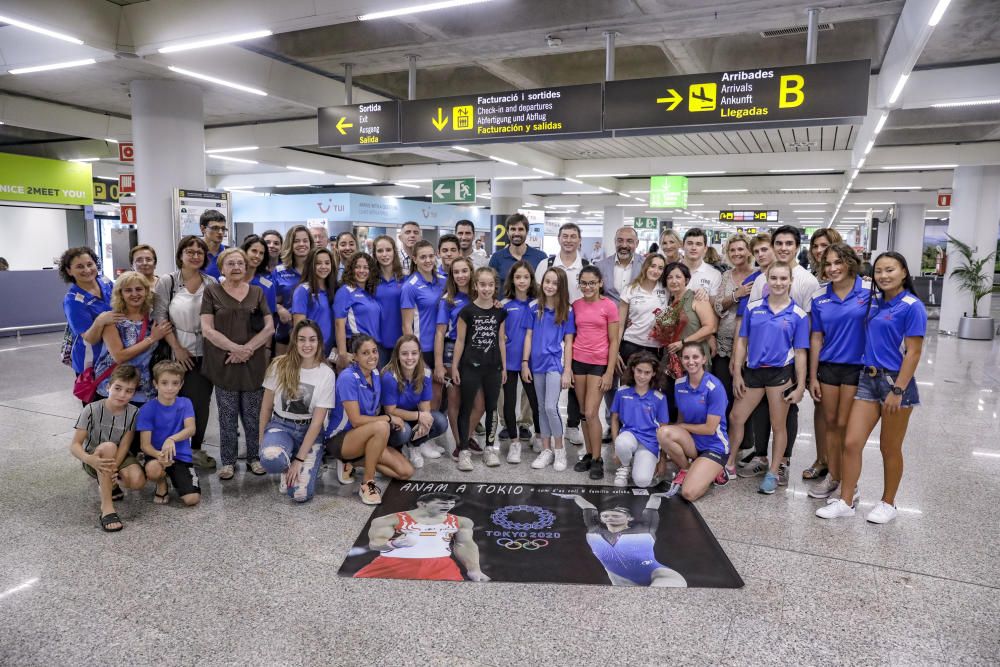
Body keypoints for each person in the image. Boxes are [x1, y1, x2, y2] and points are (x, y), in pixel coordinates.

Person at [817, 252, 926, 524]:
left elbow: (913, 353)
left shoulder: (912, 306)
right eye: (879, 271)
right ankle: (846, 499)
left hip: (895, 383)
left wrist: (898, 390)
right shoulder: (873, 301)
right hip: (868, 378)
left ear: (903, 271)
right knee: (852, 442)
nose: (884, 276)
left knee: (889, 448)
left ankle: (888, 503)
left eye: (890, 270)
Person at [727, 261, 808, 495]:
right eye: (774, 278)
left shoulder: (798, 315)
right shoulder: (753, 308)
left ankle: (773, 472)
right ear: (767, 280)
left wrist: (801, 385)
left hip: (780, 374)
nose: (779, 283)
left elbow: (801, 352)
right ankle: (730, 463)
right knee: (736, 417)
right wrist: (737, 373)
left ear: (790, 281)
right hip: (753, 371)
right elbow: (742, 341)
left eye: (783, 279)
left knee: (778, 425)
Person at [746, 226, 819, 480]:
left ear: (797, 247)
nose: (784, 248)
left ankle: (783, 460)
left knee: (788, 410)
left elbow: (810, 326)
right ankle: (761, 456)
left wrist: (806, 372)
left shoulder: (808, 281)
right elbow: (753, 318)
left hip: (789, 359)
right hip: (759, 361)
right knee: (760, 409)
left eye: (789, 243)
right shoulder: (760, 278)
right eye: (779, 243)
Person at [201, 247, 274, 480]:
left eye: (240, 264)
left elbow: (269, 327)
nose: (235, 268)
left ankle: (255, 457)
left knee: (254, 414)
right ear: (222, 268)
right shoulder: (212, 292)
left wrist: (247, 349)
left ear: (246, 267)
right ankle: (229, 462)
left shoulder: (257, 293)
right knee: (227, 415)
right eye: (230, 264)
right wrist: (235, 349)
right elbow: (207, 329)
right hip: (225, 361)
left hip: (253, 363)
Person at [807, 244, 869, 501]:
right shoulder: (820, 298)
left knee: (846, 427)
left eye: (838, 262)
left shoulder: (869, 291)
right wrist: (812, 376)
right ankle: (834, 476)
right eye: (828, 264)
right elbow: (816, 338)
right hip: (829, 367)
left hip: (858, 368)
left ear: (850, 262)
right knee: (831, 425)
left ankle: (850, 485)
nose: (833, 268)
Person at [152, 236, 218, 470]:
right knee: (175, 400)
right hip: (178, 353)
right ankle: (172, 448)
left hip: (206, 353)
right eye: (189, 252)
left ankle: (195, 448)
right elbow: (160, 318)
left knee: (201, 403)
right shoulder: (168, 283)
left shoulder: (211, 282)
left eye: (200, 252)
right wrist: (177, 348)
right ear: (180, 255)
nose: (195, 256)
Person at [324, 335, 414, 505]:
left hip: (367, 436)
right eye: (365, 353)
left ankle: (353, 462)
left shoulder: (375, 374)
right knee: (382, 426)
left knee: (406, 472)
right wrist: (388, 418)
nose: (372, 356)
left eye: (374, 351)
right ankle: (367, 483)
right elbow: (356, 420)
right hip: (341, 438)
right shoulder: (347, 377)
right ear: (355, 357)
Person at [258, 320, 334, 503]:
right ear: (294, 342)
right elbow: (266, 407)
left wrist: (299, 460)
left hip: (309, 431)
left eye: (312, 340)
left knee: (300, 495)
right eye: (302, 340)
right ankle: (285, 464)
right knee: (270, 459)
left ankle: (300, 461)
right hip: (280, 426)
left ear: (319, 342)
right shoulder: (279, 365)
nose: (307, 345)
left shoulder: (326, 374)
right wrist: (262, 440)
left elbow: (317, 423)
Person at [69, 364, 146, 532]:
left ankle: (110, 483)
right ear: (108, 387)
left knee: (137, 481)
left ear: (134, 393)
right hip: (94, 458)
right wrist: (89, 459)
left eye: (129, 391)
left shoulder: (133, 412)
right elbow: (74, 446)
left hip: (118, 457)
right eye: (118, 388)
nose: (122, 394)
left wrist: (114, 470)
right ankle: (107, 508)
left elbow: (125, 445)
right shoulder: (91, 409)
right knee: (109, 446)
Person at [554, 493, 687, 587]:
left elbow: (651, 509)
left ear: (629, 518)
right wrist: (577, 497)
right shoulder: (594, 530)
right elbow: (589, 509)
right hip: (622, 581)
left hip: (660, 574)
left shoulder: (645, 529)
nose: (610, 517)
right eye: (605, 515)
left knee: (659, 596)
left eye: (616, 515)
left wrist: (655, 497)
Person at [354, 492, 489, 582]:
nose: (448, 506)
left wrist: (473, 569)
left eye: (450, 503)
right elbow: (374, 544)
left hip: (441, 566)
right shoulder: (389, 520)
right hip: (392, 563)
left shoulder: (461, 521)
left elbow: (464, 544)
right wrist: (393, 544)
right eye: (442, 503)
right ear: (422, 504)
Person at [537, 223, 590, 446]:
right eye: (565, 236)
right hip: (551, 325)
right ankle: (542, 433)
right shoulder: (546, 264)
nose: (569, 240)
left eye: (573, 236)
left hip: (578, 326)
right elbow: (538, 292)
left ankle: (572, 425)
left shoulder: (586, 266)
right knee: (544, 395)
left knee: (573, 376)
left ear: (580, 240)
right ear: (558, 238)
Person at [451, 267, 508, 471]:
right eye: (482, 284)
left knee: (492, 408)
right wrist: (455, 367)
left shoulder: (500, 311)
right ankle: (464, 450)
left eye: (490, 285)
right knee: (466, 408)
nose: (486, 288)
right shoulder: (466, 312)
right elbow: (459, 341)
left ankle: (490, 448)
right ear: (475, 286)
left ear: (495, 287)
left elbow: (501, 340)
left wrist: (503, 367)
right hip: (470, 367)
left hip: (493, 368)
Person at [661, 342, 731, 500]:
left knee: (688, 493)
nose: (690, 361)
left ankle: (717, 469)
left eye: (695, 357)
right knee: (663, 433)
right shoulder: (679, 384)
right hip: (692, 443)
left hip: (714, 446)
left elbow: (710, 429)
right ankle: (686, 468)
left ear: (704, 359)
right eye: (686, 357)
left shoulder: (714, 387)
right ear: (681, 360)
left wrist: (682, 427)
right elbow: (681, 416)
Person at [800, 228, 844, 481]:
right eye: (815, 246)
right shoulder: (814, 282)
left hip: (845, 358)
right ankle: (822, 458)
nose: (818, 250)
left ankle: (838, 465)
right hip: (820, 355)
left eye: (824, 245)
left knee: (840, 415)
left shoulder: (849, 281)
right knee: (821, 408)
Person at [523, 267, 575, 471]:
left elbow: (569, 342)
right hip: (536, 365)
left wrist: (567, 370)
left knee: (550, 407)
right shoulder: (534, 306)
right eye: (547, 281)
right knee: (541, 408)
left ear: (561, 286)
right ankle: (546, 449)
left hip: (554, 364)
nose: (550, 286)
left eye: (555, 283)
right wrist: (525, 362)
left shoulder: (567, 311)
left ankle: (560, 450)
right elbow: (528, 336)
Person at [93, 271, 171, 406]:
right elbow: (119, 356)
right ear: (120, 294)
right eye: (128, 290)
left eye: (139, 289)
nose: (135, 294)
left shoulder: (154, 318)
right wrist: (152, 338)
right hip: (116, 388)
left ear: (147, 291)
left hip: (145, 389)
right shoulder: (112, 319)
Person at [571, 265, 620, 480]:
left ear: (600, 283)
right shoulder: (576, 305)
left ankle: (598, 458)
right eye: (584, 283)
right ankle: (589, 454)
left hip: (598, 364)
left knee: (592, 412)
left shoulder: (609, 306)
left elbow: (614, 340)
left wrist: (609, 372)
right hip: (578, 362)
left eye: (592, 282)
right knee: (583, 413)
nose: (588, 286)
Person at [655, 262, 718, 422]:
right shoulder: (668, 304)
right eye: (669, 277)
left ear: (687, 279)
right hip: (672, 361)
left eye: (678, 277)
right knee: (671, 401)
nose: (674, 281)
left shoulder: (697, 298)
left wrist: (683, 342)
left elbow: (710, 327)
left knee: (695, 403)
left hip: (694, 360)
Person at [137, 361, 200, 507]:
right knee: (153, 470)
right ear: (156, 384)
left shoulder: (185, 403)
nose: (170, 388)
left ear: (181, 385)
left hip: (181, 456)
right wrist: (160, 455)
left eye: (175, 383)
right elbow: (145, 445)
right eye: (164, 383)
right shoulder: (147, 409)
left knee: (192, 499)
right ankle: (161, 483)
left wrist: (171, 439)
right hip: (156, 455)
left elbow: (191, 429)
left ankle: (179, 478)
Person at [382, 335, 449, 468]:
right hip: (394, 419)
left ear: (419, 354)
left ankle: (416, 444)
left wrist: (425, 420)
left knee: (440, 421)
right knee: (404, 431)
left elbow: (425, 404)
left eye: (414, 353)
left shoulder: (426, 372)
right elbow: (390, 411)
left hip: (413, 414)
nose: (410, 358)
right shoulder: (389, 376)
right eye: (404, 354)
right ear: (397, 355)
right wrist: (419, 416)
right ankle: (404, 447)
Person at [711, 233, 755, 423]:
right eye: (732, 250)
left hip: (749, 343)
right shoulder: (725, 276)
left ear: (748, 251)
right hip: (724, 342)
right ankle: (724, 434)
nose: (737, 253)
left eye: (740, 249)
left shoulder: (758, 275)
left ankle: (747, 440)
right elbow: (718, 307)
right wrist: (737, 295)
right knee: (723, 391)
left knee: (745, 393)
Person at [610, 352, 670, 488]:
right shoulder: (622, 392)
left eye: (647, 372)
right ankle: (625, 466)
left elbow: (664, 431)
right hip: (628, 436)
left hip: (650, 442)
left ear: (654, 374)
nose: (642, 376)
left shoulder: (659, 398)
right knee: (622, 443)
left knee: (642, 482)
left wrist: (662, 460)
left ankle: (641, 460)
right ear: (632, 369)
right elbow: (614, 419)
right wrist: (616, 449)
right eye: (639, 371)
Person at [500, 260, 540, 463]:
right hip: (509, 361)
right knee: (509, 402)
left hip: (531, 362)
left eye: (526, 277)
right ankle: (514, 443)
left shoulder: (538, 304)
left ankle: (540, 436)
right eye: (518, 277)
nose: (522, 280)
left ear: (531, 279)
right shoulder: (504, 305)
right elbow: (498, 334)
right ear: (512, 280)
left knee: (535, 401)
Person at [435, 256, 476, 447]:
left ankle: (467, 437)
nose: (461, 275)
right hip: (452, 350)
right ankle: (460, 444)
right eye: (456, 272)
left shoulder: (479, 295)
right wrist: (438, 363)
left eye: (464, 271)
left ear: (471, 272)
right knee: (454, 399)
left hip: (476, 350)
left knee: (478, 400)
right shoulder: (447, 300)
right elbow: (440, 332)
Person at [60, 247, 115, 381]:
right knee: (95, 400)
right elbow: (89, 339)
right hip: (91, 359)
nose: (87, 270)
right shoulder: (73, 300)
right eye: (79, 267)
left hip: (113, 351)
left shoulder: (105, 281)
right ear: (69, 271)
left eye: (90, 264)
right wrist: (100, 320)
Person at [617, 253, 668, 373]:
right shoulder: (630, 289)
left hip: (655, 348)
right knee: (628, 386)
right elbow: (619, 325)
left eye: (660, 268)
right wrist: (615, 352)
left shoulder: (666, 290)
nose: (655, 271)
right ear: (646, 267)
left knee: (651, 388)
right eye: (653, 266)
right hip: (631, 344)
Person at [401, 240, 445, 371]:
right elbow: (406, 325)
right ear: (414, 259)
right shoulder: (410, 287)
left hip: (443, 344)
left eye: (431, 256)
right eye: (423, 257)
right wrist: (414, 353)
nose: (428, 260)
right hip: (423, 348)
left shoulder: (444, 282)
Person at [334, 252, 382, 369]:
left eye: (366, 267)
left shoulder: (368, 293)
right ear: (351, 269)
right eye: (357, 267)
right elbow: (339, 324)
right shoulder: (345, 291)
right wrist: (342, 354)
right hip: (356, 347)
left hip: (371, 347)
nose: (362, 271)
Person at [273, 224, 314, 353]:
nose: (301, 244)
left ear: (310, 243)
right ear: (290, 244)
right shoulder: (279, 271)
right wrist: (279, 308)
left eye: (305, 240)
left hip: (315, 333)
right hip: (286, 333)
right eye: (296, 241)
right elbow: (269, 300)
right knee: (285, 372)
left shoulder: (319, 269)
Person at [291, 247, 338, 356]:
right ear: (311, 266)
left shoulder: (335, 290)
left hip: (331, 352)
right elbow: (299, 328)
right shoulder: (302, 290)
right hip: (311, 352)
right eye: (318, 263)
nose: (323, 267)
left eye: (327, 263)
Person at [373, 234, 406, 368]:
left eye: (388, 250)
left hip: (401, 341)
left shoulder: (405, 279)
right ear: (374, 254)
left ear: (394, 252)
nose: (384, 254)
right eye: (380, 251)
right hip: (377, 343)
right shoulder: (370, 281)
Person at [490, 213, 547, 281]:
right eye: (513, 229)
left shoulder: (540, 257)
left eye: (520, 229)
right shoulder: (497, 258)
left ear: (527, 232)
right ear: (507, 232)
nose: (517, 233)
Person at [594, 227, 643, 304]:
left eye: (629, 241)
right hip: (608, 314)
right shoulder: (600, 266)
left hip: (636, 315)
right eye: (620, 241)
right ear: (615, 242)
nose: (624, 245)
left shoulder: (646, 265)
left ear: (636, 243)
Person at [242, 235, 277, 325]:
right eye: (254, 251)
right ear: (244, 251)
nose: (257, 256)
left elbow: (269, 321)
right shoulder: (230, 279)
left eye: (261, 253)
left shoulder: (268, 285)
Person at [681, 228, 722, 297]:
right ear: (683, 246)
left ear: (705, 249)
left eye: (698, 244)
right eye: (690, 243)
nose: (693, 248)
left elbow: (713, 305)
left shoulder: (715, 275)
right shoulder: (672, 270)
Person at [200, 210, 228, 280]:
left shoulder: (229, 253)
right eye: (215, 228)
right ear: (203, 229)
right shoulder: (196, 254)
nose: (220, 232)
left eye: (223, 229)